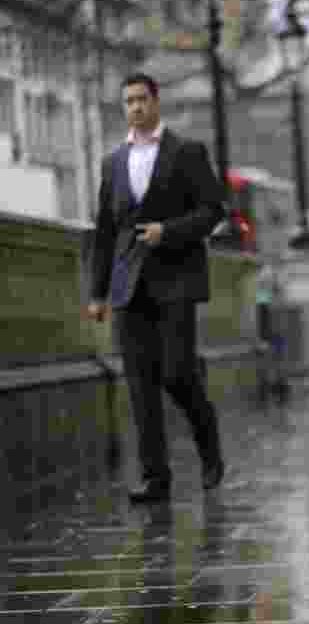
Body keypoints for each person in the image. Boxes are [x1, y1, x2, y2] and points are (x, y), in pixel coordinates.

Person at [86, 73, 226, 503]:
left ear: (156, 101)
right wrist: (97, 293)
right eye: (128, 102)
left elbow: (213, 212)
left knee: (177, 373)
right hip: (129, 284)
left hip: (177, 279)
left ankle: (208, 438)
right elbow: (105, 231)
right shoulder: (112, 164)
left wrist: (168, 231)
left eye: (142, 99)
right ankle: (155, 478)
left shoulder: (187, 153)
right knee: (139, 382)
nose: (135, 108)